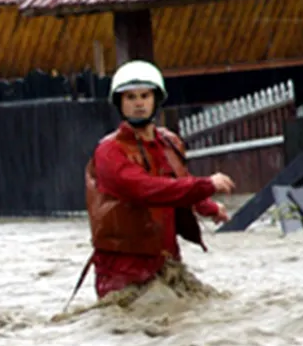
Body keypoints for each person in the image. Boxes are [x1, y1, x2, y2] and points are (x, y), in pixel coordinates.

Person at [79, 60, 234, 301]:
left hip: (166, 261)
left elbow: (179, 182)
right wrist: (206, 185)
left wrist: (208, 206)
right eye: (130, 97)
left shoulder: (169, 141)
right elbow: (145, 189)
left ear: (156, 99)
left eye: (145, 96)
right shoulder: (109, 152)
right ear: (120, 102)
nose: (139, 103)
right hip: (123, 271)